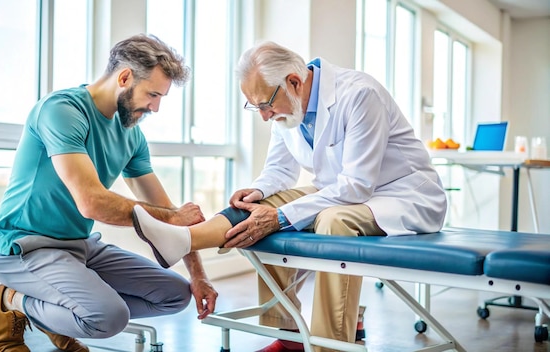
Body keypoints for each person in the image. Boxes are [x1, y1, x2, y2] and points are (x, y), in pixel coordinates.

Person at [129, 40, 447, 352]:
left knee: (331, 219)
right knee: (261, 208)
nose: (265, 116)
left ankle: (331, 345)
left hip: (402, 196)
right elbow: (279, 173)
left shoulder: (360, 94)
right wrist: (258, 191)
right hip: (344, 192)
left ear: (294, 82)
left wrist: (282, 216)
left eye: (266, 105)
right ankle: (186, 242)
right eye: (257, 107)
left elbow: (358, 185)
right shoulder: (286, 107)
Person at [0, 34, 218, 352]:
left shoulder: (131, 136)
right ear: (124, 77)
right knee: (108, 318)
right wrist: (172, 216)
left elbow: (166, 209)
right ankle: (10, 298)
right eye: (152, 94)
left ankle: (58, 314)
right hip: (24, 249)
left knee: (176, 295)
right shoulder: (63, 110)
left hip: (80, 247)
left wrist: (199, 275)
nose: (156, 107)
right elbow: (91, 202)